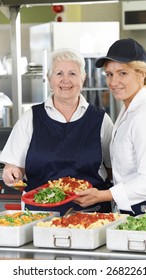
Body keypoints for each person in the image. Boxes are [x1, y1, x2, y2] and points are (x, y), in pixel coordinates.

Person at [0, 48, 113, 215]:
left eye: (73, 74)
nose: (65, 80)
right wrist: (12, 172)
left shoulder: (101, 120)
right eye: (59, 73)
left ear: (83, 78)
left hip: (92, 214)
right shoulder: (30, 118)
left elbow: (113, 169)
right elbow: (14, 166)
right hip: (39, 216)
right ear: (49, 78)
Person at [74, 38, 146, 216]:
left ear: (141, 74)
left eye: (122, 73)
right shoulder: (129, 110)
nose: (113, 82)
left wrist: (103, 195)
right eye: (110, 74)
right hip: (137, 206)